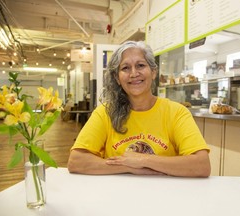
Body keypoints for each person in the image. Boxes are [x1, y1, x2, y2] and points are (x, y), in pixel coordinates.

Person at [68, 41, 211, 177]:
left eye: (140, 65)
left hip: (165, 194)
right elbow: (76, 161)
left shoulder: (176, 112)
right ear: (117, 78)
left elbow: (201, 165)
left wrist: (143, 161)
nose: (134, 73)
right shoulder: (105, 112)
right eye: (125, 68)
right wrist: (128, 167)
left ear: (153, 72)